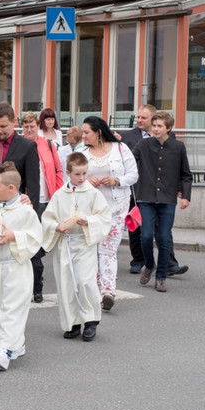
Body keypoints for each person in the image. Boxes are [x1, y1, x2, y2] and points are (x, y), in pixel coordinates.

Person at [0, 162, 42, 371]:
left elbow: (35, 237)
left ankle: (4, 350)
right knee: (1, 307)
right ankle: (17, 345)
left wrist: (14, 236)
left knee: (12, 308)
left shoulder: (25, 211)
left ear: (11, 187)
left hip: (16, 266)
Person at [41, 153, 111, 341]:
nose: (81, 178)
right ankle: (73, 322)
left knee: (84, 281)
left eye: (84, 173)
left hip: (84, 242)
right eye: (77, 174)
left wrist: (88, 221)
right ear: (68, 173)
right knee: (67, 284)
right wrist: (56, 226)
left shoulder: (93, 193)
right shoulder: (59, 195)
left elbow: (104, 217)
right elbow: (47, 218)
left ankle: (91, 320)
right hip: (65, 244)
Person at [79, 116, 138, 310]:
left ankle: (108, 291)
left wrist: (117, 181)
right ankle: (96, 289)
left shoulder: (120, 149)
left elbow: (134, 174)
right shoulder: (81, 152)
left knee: (108, 250)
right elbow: (69, 178)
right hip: (90, 210)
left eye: (86, 132)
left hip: (117, 207)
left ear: (98, 132)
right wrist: (86, 182)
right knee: (93, 250)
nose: (83, 135)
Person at [120, 105, 187, 276]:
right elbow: (126, 160)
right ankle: (141, 261)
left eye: (144, 118)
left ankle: (167, 266)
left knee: (164, 233)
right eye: (138, 117)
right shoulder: (130, 138)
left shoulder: (173, 141)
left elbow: (178, 168)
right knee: (141, 231)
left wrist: (181, 190)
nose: (139, 120)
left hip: (164, 193)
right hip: (139, 190)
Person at [132, 112, 193, 293]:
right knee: (145, 236)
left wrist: (186, 196)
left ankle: (161, 277)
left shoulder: (178, 147)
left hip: (167, 198)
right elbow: (128, 160)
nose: (156, 129)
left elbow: (186, 174)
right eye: (154, 125)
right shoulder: (143, 144)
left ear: (168, 128)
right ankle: (149, 264)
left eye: (159, 126)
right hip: (146, 197)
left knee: (164, 238)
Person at [21, 112, 63, 303]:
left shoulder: (47, 144)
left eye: (32, 126)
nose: (29, 130)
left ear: (38, 127)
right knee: (34, 245)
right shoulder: (20, 145)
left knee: (43, 243)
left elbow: (58, 169)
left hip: (46, 198)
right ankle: (36, 287)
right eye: (26, 127)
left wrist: (58, 195)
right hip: (27, 201)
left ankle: (35, 283)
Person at [0, 102, 41, 211]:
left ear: (14, 122)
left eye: (3, 126)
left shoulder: (27, 147)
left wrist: (32, 214)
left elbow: (33, 186)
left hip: (13, 209)